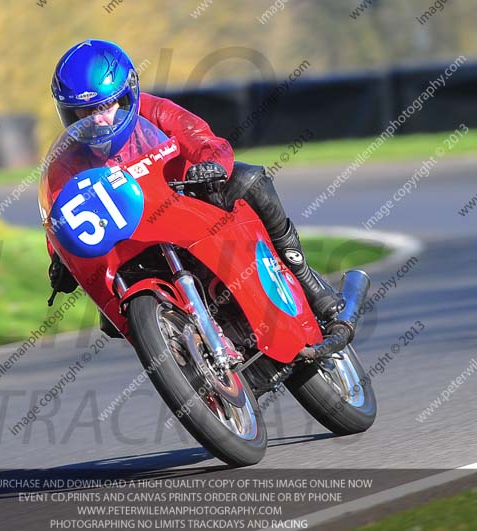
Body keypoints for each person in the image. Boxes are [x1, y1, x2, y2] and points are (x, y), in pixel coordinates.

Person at [44, 39, 346, 338]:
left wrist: (210, 166)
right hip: (130, 241)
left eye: (105, 105)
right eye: (84, 112)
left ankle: (306, 278)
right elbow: (59, 211)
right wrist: (59, 256)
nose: (98, 119)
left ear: (125, 96)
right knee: (110, 322)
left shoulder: (153, 110)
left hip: (186, 202)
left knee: (249, 180)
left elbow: (204, 141)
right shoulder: (70, 155)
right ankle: (183, 353)